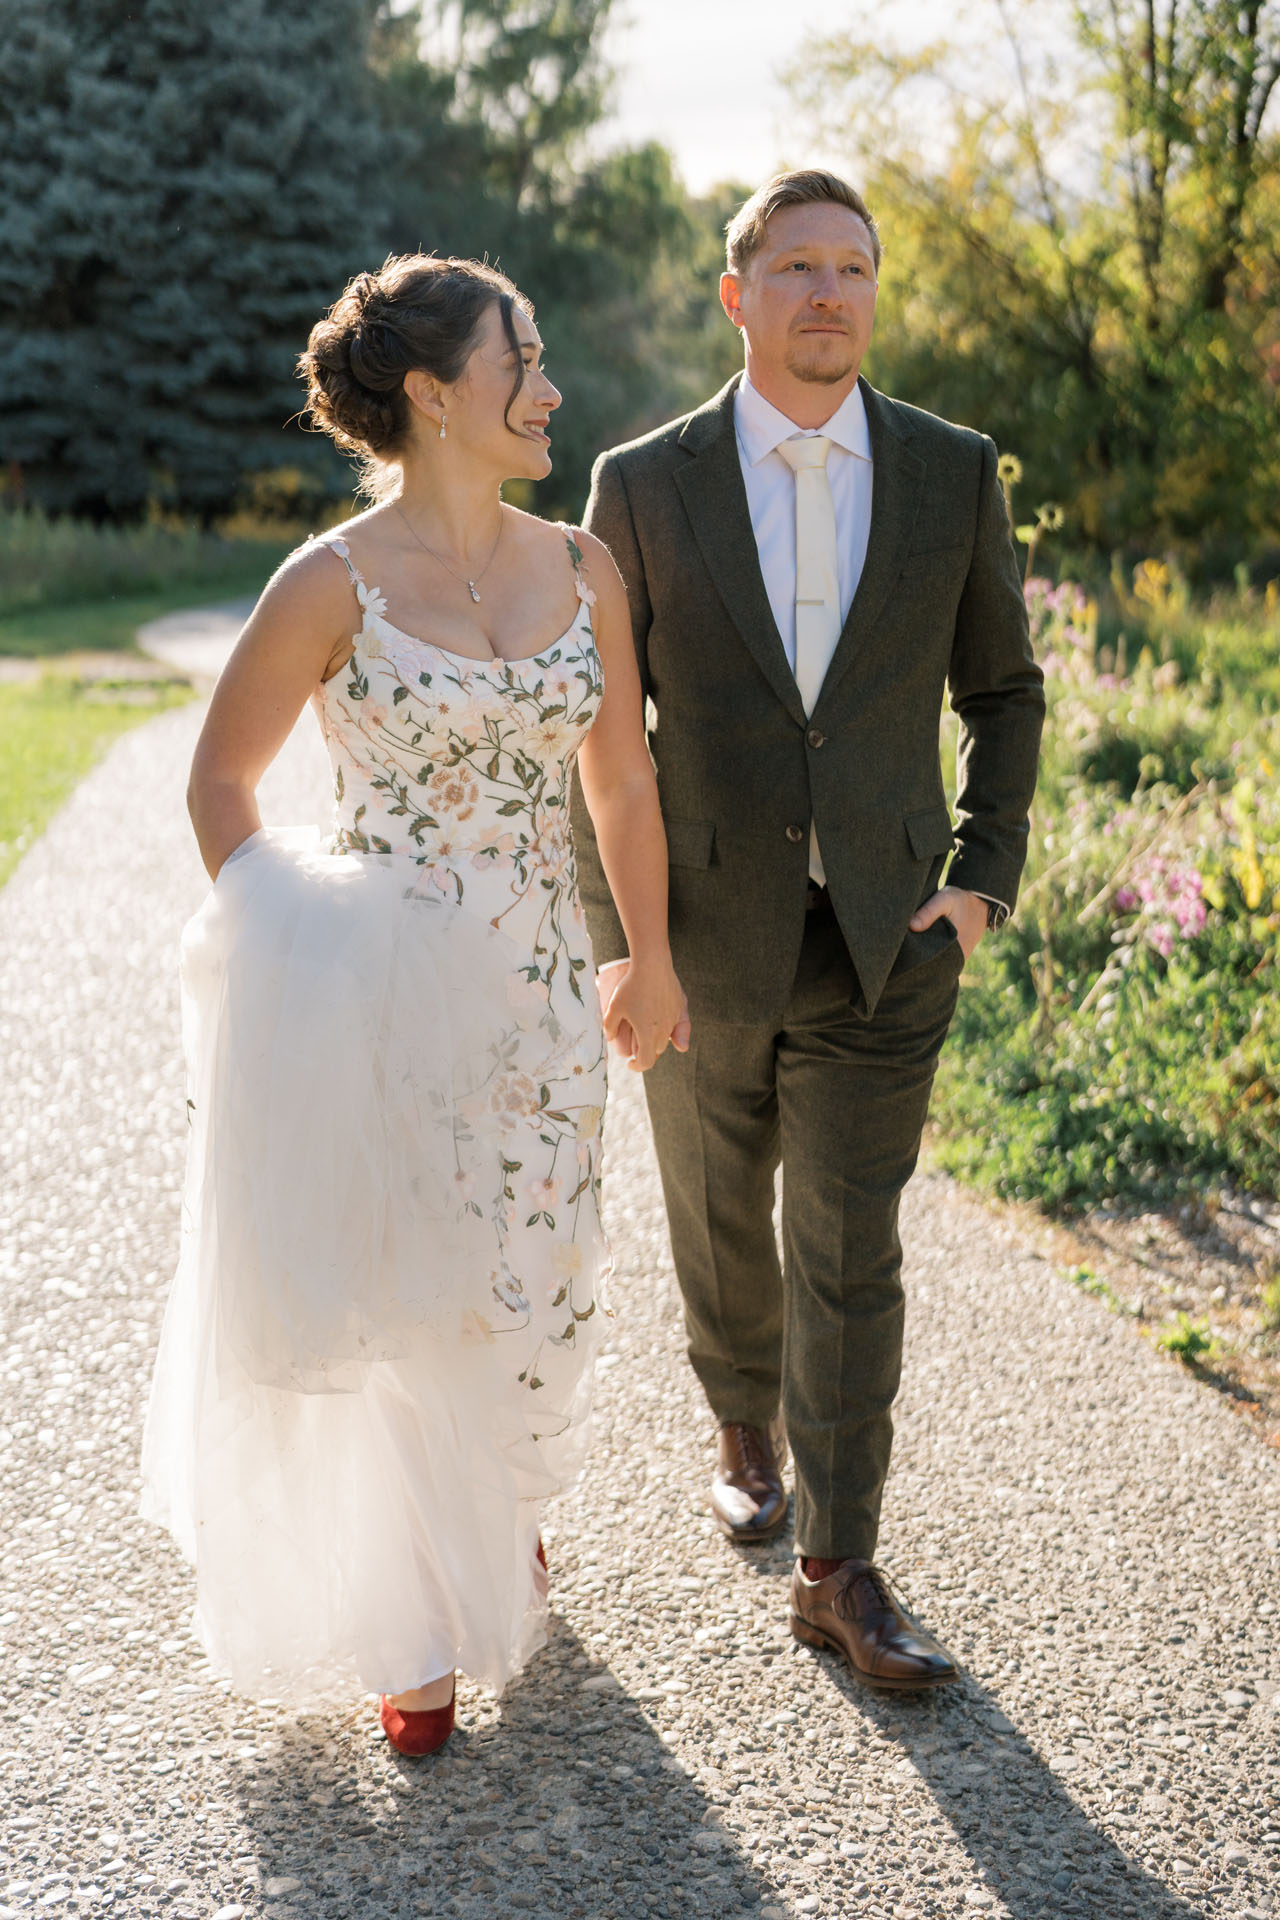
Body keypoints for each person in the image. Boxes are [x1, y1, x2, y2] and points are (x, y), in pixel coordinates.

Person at [140, 254, 687, 1754]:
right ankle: (417, 1624)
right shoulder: (330, 585)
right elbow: (220, 784)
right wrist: (296, 951)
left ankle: (494, 1515)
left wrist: (648, 953)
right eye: (525, 362)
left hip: (545, 1001)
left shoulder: (585, 569)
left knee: (535, 1278)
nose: (552, 390)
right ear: (438, 394)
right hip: (382, 997)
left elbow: (621, 781)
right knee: (408, 1293)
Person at [571, 171, 1045, 1690]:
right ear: (739, 295)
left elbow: (1004, 691)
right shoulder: (642, 486)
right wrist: (624, 945)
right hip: (697, 934)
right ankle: (739, 1421)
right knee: (720, 1209)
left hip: (890, 939)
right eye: (795, 266)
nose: (828, 290)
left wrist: (982, 879)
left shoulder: (952, 471)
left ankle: (839, 1569)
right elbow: (600, 737)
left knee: (850, 1247)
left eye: (852, 266)